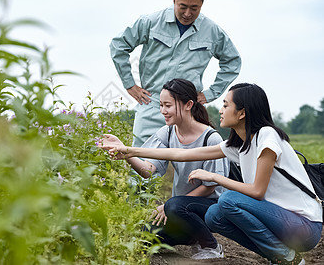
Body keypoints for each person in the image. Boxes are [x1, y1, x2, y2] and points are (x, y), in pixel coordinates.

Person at [103, 83, 323, 265]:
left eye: (226, 105)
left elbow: (257, 191)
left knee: (227, 199)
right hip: (278, 221)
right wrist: (128, 150)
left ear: (242, 112)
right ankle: (278, 257)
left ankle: (287, 258)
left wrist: (215, 177)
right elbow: (180, 154)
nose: (220, 109)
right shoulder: (238, 145)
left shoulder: (266, 136)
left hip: (303, 227)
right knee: (215, 216)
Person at [101, 78, 229, 260]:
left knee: (175, 206)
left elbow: (210, 186)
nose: (162, 111)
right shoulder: (168, 132)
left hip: (209, 208)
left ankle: (211, 245)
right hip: (179, 209)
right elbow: (147, 170)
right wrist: (126, 153)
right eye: (161, 105)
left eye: (167, 105)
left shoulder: (211, 138)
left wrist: (168, 206)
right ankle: (192, 236)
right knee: (145, 237)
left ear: (188, 105)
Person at [110, 0, 242, 147]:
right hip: (153, 103)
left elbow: (232, 61)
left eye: (194, 8)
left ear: (202, 3)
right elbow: (119, 45)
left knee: (190, 165)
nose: (188, 13)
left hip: (189, 109)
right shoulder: (150, 22)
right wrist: (130, 85)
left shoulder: (212, 31)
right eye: (183, 6)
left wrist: (210, 94)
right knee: (142, 162)